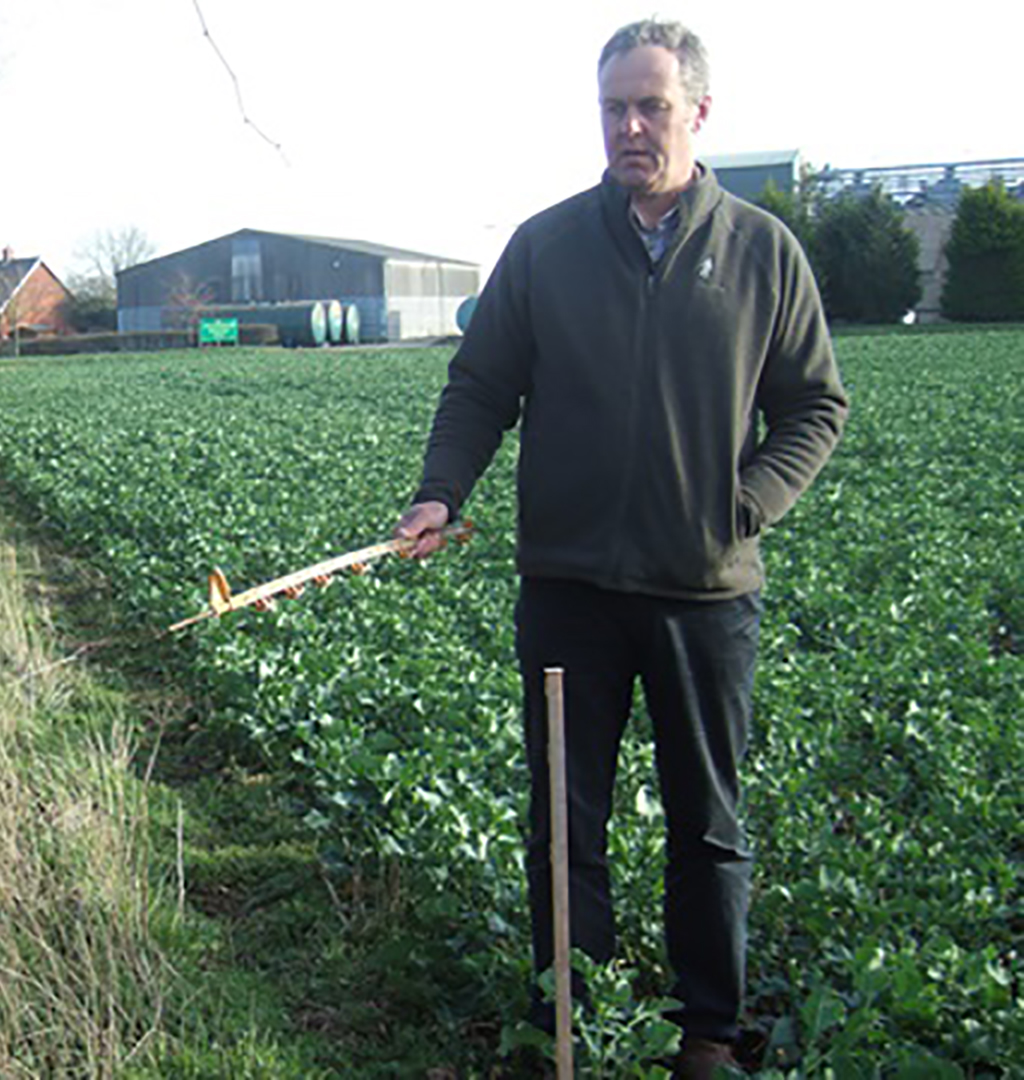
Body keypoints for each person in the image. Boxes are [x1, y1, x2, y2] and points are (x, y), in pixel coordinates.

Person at [393, 18, 847, 1078]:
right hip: (568, 591)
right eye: (613, 108)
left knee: (709, 825)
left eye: (650, 105)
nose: (630, 127)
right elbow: (480, 387)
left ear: (698, 111)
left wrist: (749, 505)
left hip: (705, 592)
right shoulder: (546, 246)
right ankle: (575, 1020)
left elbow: (814, 406)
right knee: (564, 821)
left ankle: (706, 1033)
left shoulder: (761, 252)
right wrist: (436, 493)